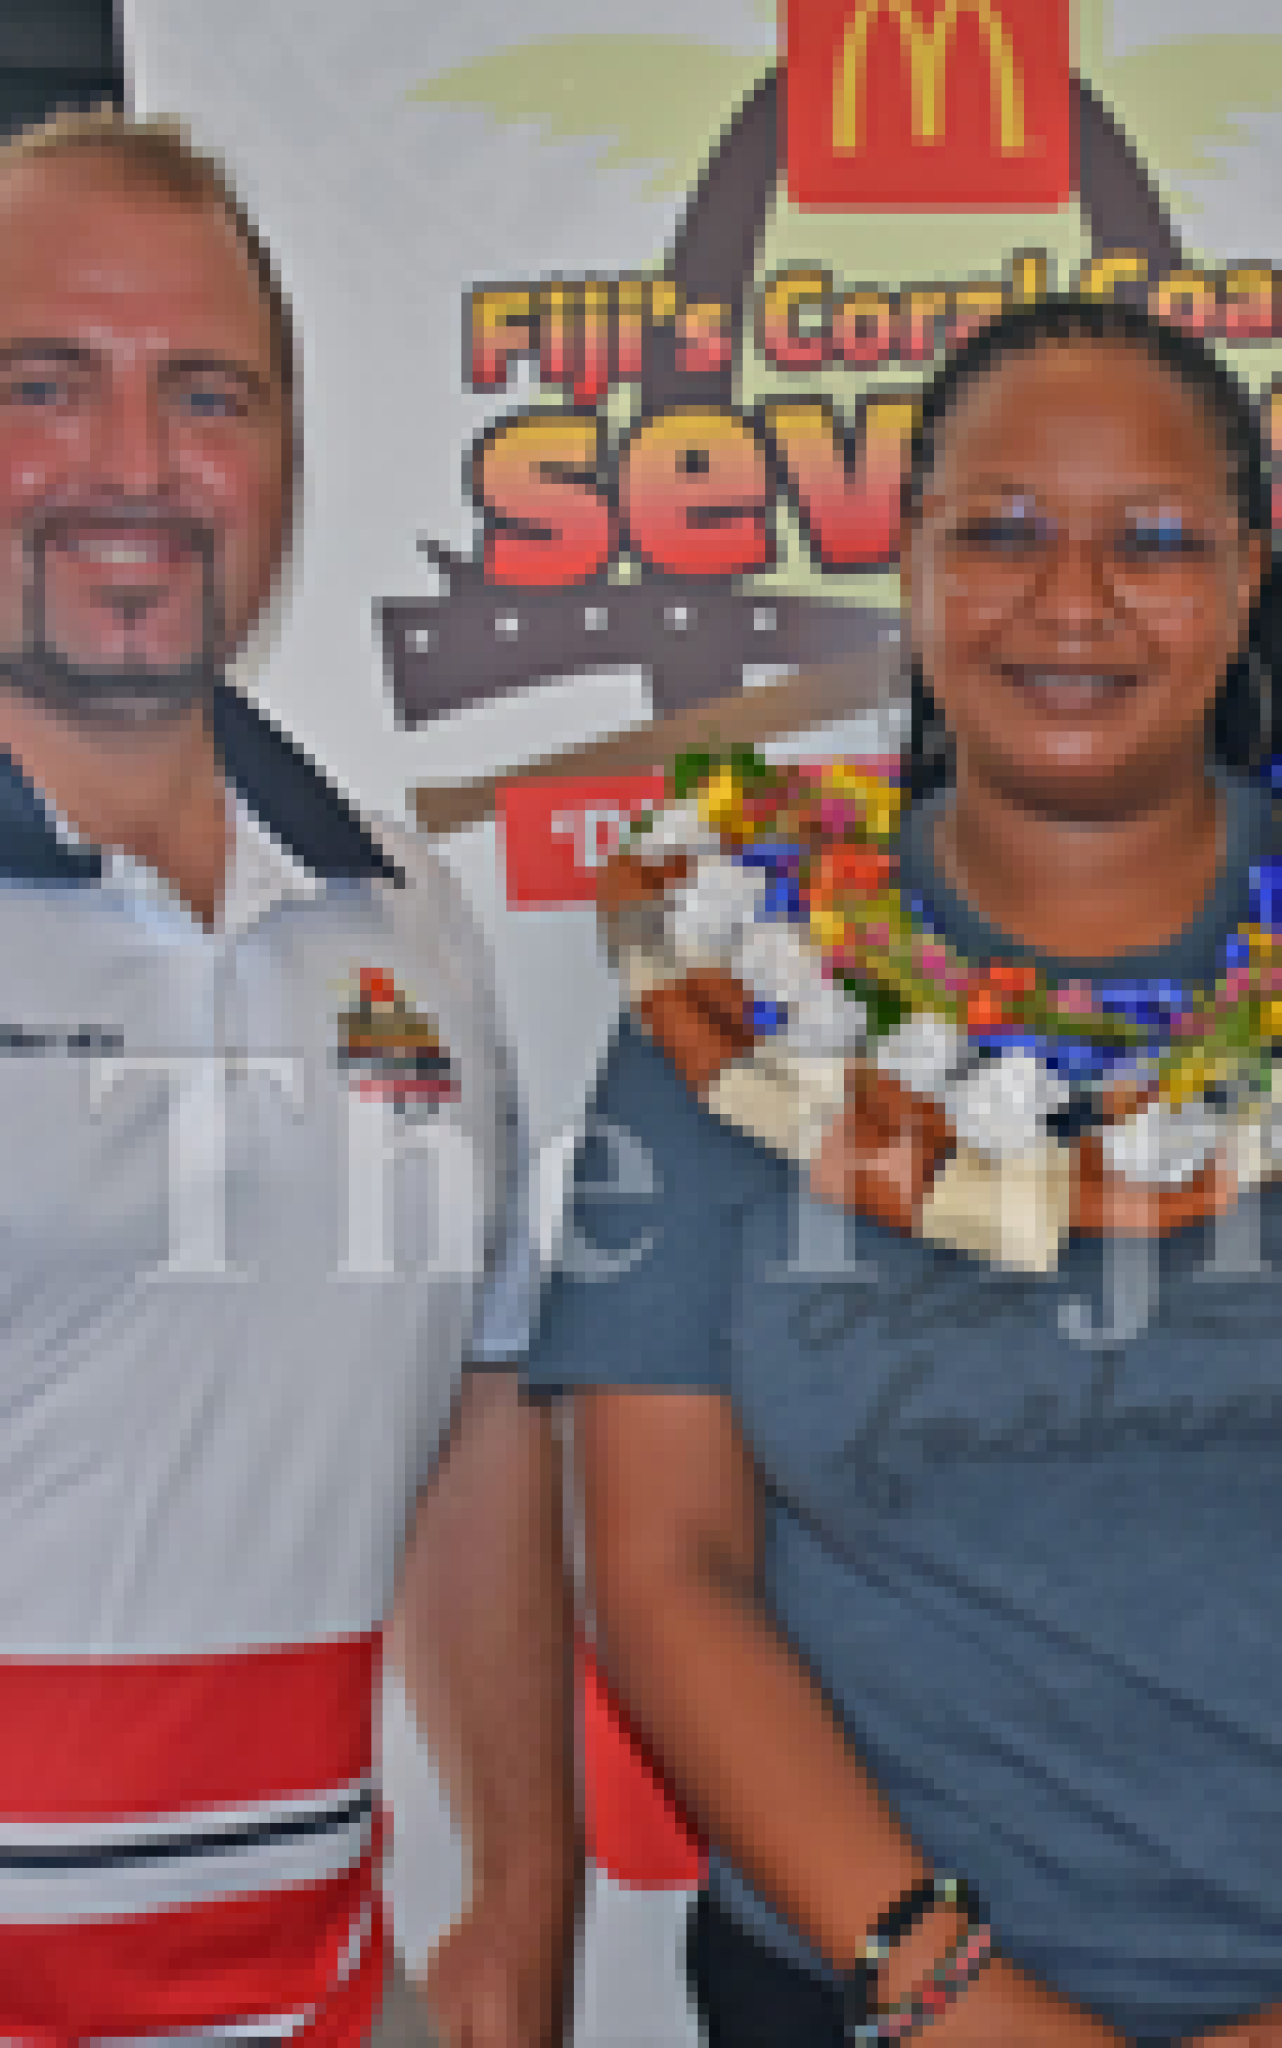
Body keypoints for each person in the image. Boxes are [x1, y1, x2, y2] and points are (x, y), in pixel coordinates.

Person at [529, 294, 1282, 2046]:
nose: (1071, 600)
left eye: (1152, 541)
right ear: (909, 573)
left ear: (1245, 584)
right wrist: (953, 1999)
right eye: (999, 532)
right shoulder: (728, 1010)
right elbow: (662, 1570)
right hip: (892, 2006)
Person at [0, 112, 578, 2045]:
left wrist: (524, 1891)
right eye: (43, 385)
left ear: (290, 461)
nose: (133, 466)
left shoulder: (395, 906)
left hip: (321, 1998)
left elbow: (475, 1405)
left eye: (208, 395)